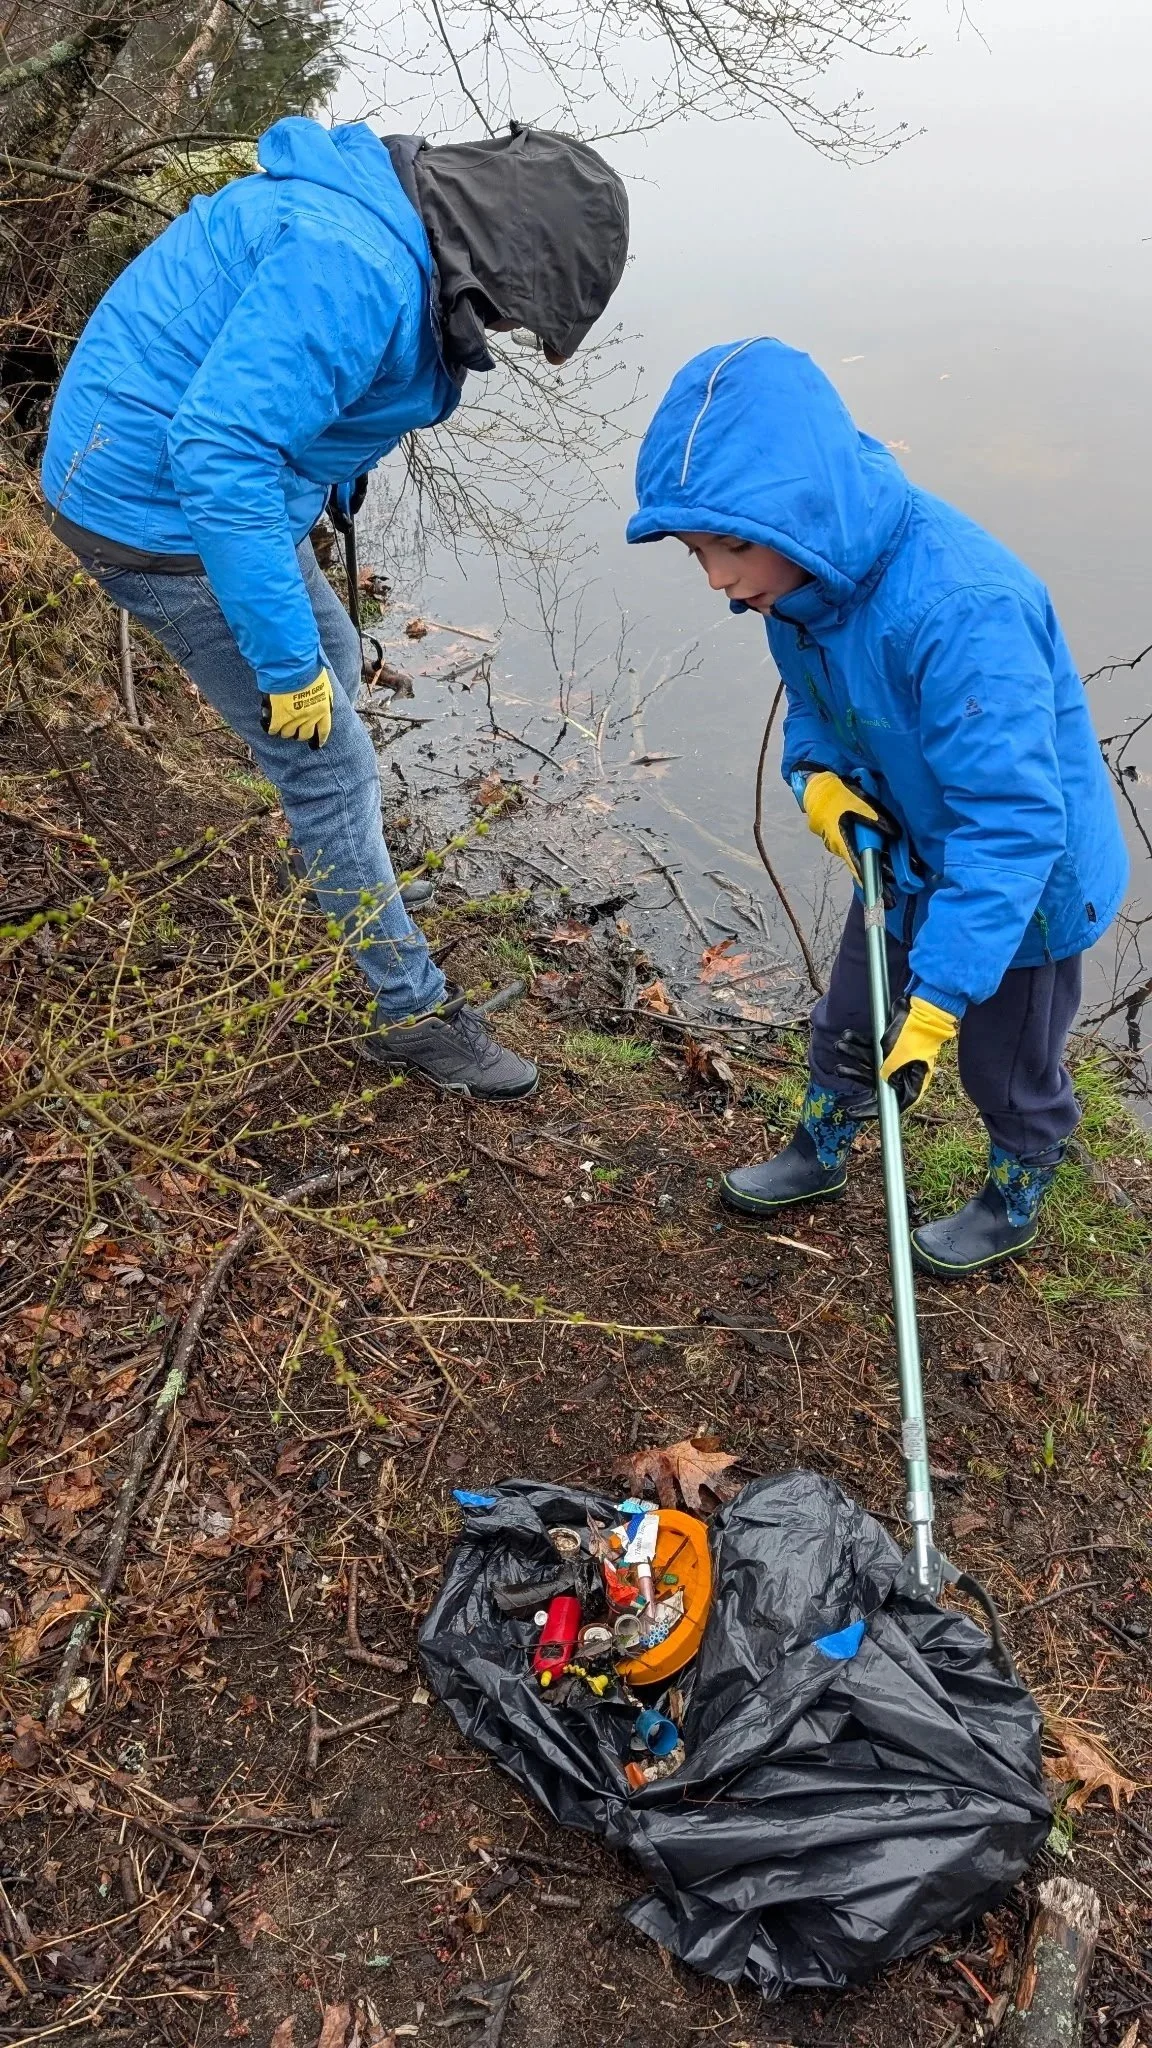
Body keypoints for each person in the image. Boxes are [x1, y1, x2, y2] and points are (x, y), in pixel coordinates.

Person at [41, 117, 629, 1100]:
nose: (514, 331)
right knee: (324, 749)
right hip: (152, 513)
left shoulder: (386, 218)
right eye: (521, 312)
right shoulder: (352, 265)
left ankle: (336, 858)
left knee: (338, 683)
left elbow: (285, 397)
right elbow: (220, 454)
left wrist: (333, 473)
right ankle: (414, 1013)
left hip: (178, 484)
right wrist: (283, 671)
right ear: (507, 249)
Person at [627, 337, 1128, 1277]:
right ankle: (821, 1147)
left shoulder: (961, 611)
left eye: (731, 548)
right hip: (903, 853)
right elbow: (820, 714)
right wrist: (818, 781)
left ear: (803, 512)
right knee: (850, 1015)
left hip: (1024, 890)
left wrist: (939, 1003)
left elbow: (1014, 824)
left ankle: (1014, 1189)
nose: (718, 581)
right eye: (698, 552)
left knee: (1001, 1067)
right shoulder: (797, 595)